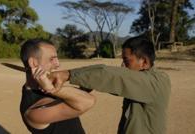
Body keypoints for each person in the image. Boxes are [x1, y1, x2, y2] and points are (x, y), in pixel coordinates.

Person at [43, 35, 171, 134]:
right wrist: (89, 81)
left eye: (127, 61)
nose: (122, 66)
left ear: (144, 62)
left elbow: (111, 75)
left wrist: (68, 74)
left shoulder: (155, 82)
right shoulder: (144, 82)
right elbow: (111, 81)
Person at [19, 38, 95, 134]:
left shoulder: (46, 86)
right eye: (52, 59)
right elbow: (87, 101)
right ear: (33, 63)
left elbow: (73, 96)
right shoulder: (33, 110)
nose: (58, 64)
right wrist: (52, 89)